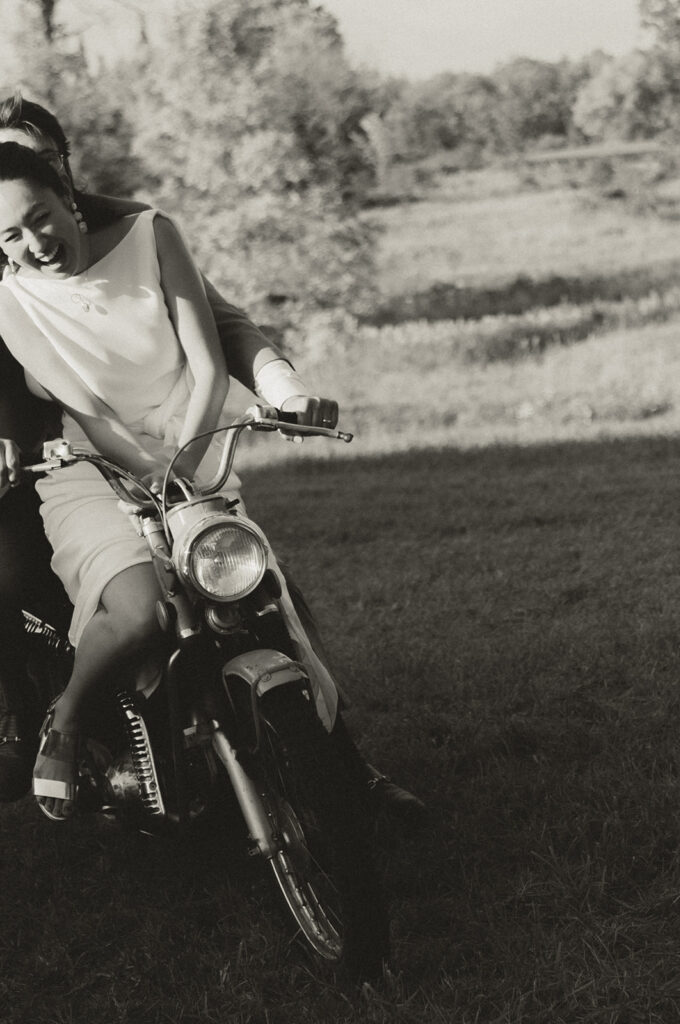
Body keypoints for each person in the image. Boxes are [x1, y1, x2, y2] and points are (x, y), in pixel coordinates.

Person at [0, 141, 426, 826]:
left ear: (63, 184)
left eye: (39, 215)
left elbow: (213, 345)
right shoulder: (14, 296)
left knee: (252, 585)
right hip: (85, 463)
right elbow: (90, 410)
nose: (32, 240)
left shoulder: (146, 229)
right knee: (111, 602)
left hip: (185, 444)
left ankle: (343, 768)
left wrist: (196, 459)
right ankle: (51, 720)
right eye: (10, 234)